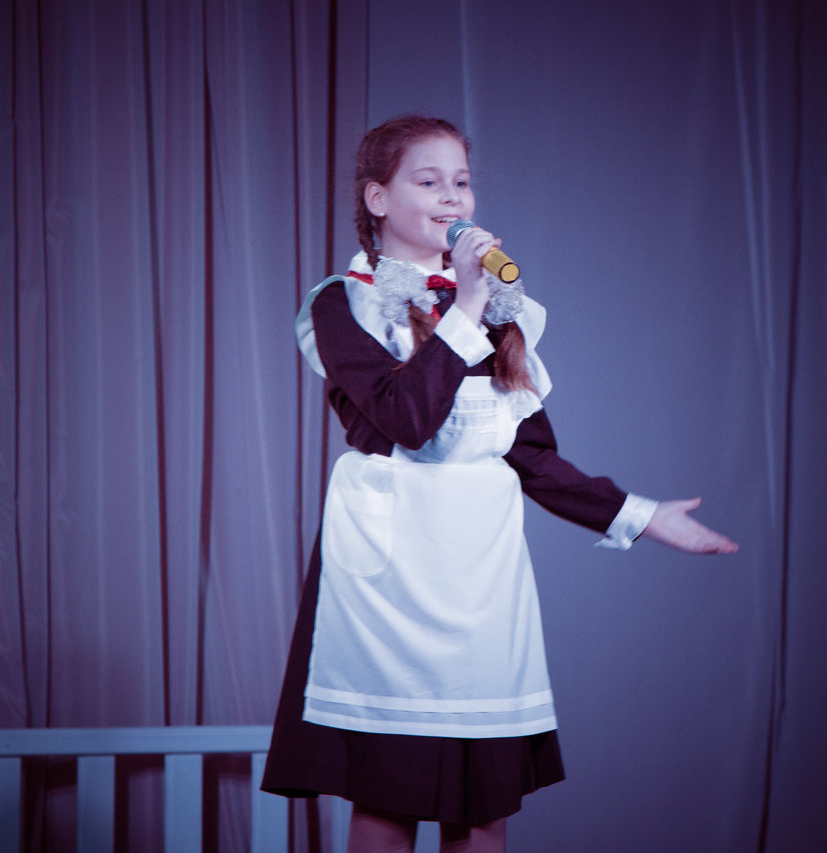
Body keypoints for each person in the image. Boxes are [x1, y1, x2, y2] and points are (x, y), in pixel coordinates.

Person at [261, 115, 738, 853]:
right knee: (386, 801)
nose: (452, 197)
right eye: (429, 181)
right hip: (390, 578)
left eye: (461, 181)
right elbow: (406, 417)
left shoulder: (499, 308)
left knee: (484, 805)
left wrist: (642, 517)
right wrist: (467, 307)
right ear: (378, 198)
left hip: (483, 572)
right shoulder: (342, 302)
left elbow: (532, 456)